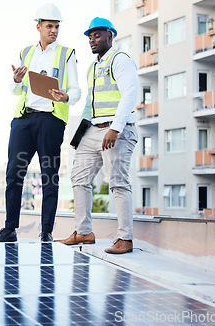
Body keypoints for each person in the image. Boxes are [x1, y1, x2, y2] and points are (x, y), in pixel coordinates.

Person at [0, 3, 81, 243]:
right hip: (24, 120)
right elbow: (16, 90)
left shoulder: (67, 53)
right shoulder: (25, 52)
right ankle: (10, 229)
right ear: (38, 26)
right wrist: (16, 80)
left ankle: (46, 232)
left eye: (57, 26)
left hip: (50, 121)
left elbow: (76, 90)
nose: (53, 30)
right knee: (14, 173)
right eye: (49, 26)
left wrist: (66, 96)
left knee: (49, 175)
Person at [57, 17, 138, 254]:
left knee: (118, 183)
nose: (92, 39)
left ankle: (125, 238)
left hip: (117, 130)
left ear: (110, 35)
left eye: (97, 35)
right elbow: (89, 105)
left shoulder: (120, 60)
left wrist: (116, 127)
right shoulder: (92, 67)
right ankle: (84, 232)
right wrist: (79, 136)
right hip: (93, 131)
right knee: (79, 178)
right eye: (90, 36)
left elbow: (130, 94)